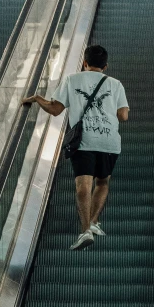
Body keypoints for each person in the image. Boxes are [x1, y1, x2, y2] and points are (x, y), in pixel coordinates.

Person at [22, 44, 129, 251]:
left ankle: (85, 230)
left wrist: (37, 98)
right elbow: (123, 116)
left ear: (85, 63)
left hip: (84, 140)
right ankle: (93, 223)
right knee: (103, 183)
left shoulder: (72, 80)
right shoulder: (116, 84)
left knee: (83, 186)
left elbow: (55, 109)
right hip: (109, 142)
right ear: (105, 66)